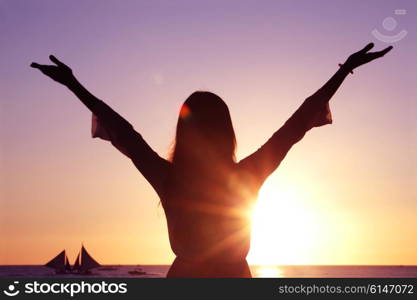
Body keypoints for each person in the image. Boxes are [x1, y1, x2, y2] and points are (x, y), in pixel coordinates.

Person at [31, 43, 392, 277]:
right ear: (227, 132)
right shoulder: (247, 174)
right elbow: (295, 124)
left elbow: (124, 131)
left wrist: (73, 85)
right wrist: (344, 70)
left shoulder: (170, 178)